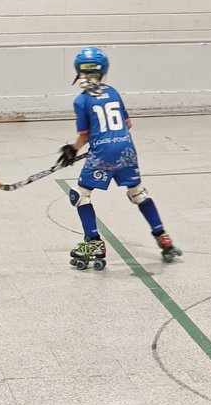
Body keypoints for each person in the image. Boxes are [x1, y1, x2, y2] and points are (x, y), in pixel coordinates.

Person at [58, 46, 181, 270]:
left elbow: (84, 136)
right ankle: (162, 237)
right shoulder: (113, 91)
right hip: (126, 148)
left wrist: (71, 150)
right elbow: (127, 124)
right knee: (137, 192)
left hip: (103, 152)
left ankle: (93, 243)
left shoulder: (82, 99)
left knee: (80, 195)